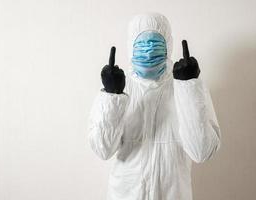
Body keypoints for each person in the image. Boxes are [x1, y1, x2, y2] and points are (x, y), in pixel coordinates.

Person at [88, 13, 221, 200]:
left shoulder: (185, 84)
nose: (149, 51)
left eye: (155, 43)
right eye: (141, 44)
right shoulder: (118, 85)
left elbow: (202, 151)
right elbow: (103, 149)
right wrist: (112, 96)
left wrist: (189, 87)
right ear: (131, 46)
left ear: (168, 44)